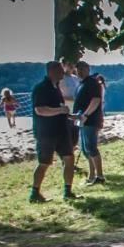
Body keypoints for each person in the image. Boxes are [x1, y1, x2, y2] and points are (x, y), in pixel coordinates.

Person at [29, 61, 78, 203]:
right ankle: (34, 193)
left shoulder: (56, 88)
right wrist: (60, 110)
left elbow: (59, 109)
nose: (63, 73)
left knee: (69, 158)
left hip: (62, 130)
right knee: (44, 163)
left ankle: (68, 191)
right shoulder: (41, 88)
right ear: (51, 71)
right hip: (46, 133)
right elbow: (40, 110)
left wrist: (70, 116)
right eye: (60, 71)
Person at [73, 61, 106, 185]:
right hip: (82, 120)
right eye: (78, 69)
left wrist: (85, 115)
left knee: (91, 148)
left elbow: (96, 100)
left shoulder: (92, 83)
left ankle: (100, 176)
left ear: (88, 69)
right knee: (85, 149)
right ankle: (92, 175)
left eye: (82, 69)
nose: (79, 72)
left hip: (90, 120)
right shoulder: (81, 84)